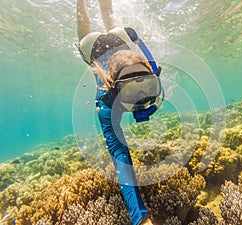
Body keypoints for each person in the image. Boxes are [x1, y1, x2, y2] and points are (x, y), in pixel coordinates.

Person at [76, 0, 163, 224]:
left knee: (109, 13)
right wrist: (140, 218)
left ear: (150, 72)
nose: (142, 96)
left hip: (122, 38)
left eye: (147, 85)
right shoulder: (106, 103)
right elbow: (120, 156)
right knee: (87, 33)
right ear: (114, 87)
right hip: (93, 46)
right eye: (132, 91)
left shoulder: (149, 72)